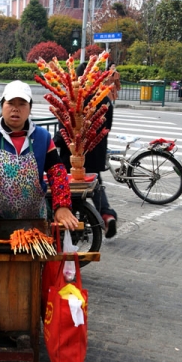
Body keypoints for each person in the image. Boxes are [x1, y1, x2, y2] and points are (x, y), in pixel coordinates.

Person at [0, 80, 78, 231]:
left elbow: (57, 172)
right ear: (2, 106)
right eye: (10, 103)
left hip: (34, 224)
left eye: (22, 104)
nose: (15, 109)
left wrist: (62, 206)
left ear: (30, 108)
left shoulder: (43, 138)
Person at [55, 62, 118, 238]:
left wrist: (55, 143)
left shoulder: (72, 99)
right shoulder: (104, 99)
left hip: (73, 154)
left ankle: (76, 224)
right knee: (94, 183)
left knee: (72, 188)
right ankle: (106, 214)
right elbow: (108, 126)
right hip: (96, 151)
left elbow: (64, 128)